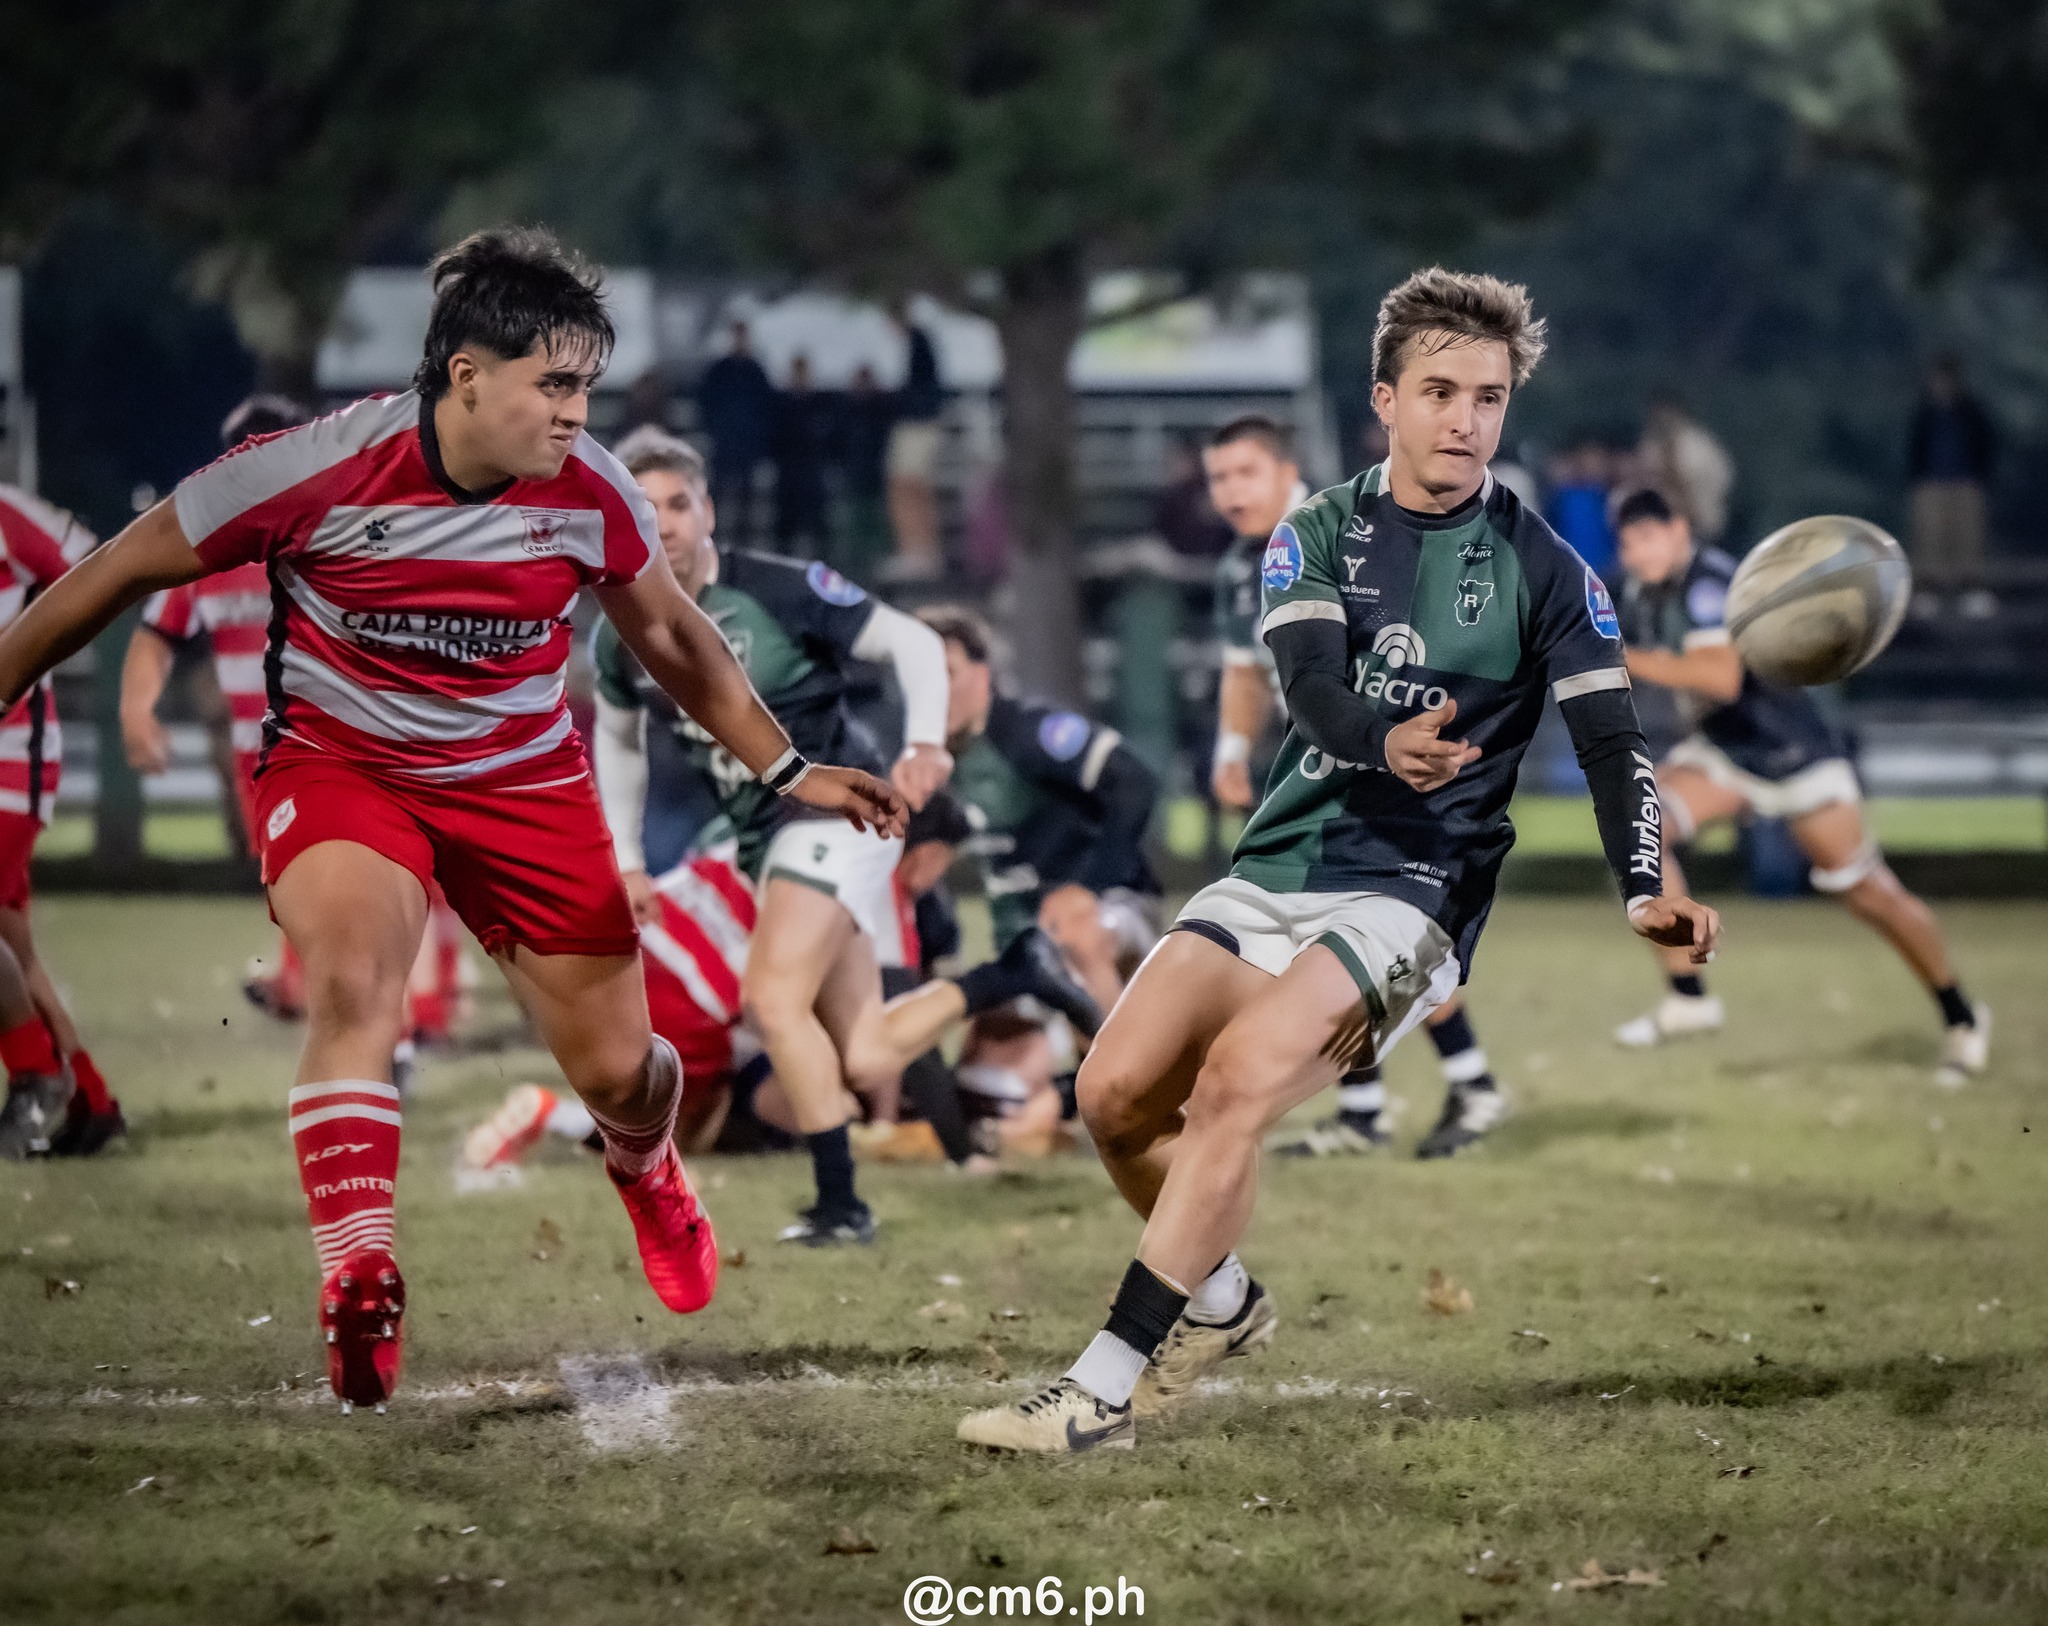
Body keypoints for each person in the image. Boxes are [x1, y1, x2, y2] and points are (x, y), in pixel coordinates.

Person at [0, 229, 903, 1411]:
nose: (578, 416)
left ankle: (645, 1163)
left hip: (524, 786)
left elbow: (676, 637)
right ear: (465, 376)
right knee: (352, 986)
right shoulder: (311, 466)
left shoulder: (591, 493)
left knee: (624, 1073)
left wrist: (791, 772)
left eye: (586, 386)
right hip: (343, 770)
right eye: (555, 386)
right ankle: (360, 1271)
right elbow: (117, 569)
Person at [957, 267, 1720, 1453]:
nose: (1464, 419)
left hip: (1414, 887)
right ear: (1385, 400)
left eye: (1487, 396)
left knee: (1236, 1086)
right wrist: (1378, 737)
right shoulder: (1312, 531)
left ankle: (1097, 1386)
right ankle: (1221, 1304)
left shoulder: (1547, 569)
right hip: (1279, 862)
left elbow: (1616, 747)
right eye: (1439, 391)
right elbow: (1308, 691)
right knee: (1109, 1098)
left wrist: (1639, 891)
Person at [590, 424, 950, 1244]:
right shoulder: (620, 632)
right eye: (645, 509)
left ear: (708, 510)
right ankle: (1006, 977)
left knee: (771, 1000)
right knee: (862, 1052)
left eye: (680, 504)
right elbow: (616, 741)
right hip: (765, 836)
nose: (667, 523)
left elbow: (913, 641)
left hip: (835, 809)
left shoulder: (779, 590)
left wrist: (926, 740)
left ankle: (841, 1204)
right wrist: (631, 861)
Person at [1609, 487, 1990, 1084]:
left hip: (1795, 757)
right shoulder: (1644, 592)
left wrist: (1624, 660)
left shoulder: (1712, 582)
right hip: (1729, 754)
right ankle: (1689, 995)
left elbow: (1720, 678)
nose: (1633, 555)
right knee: (1638, 830)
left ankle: (1962, 1016)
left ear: (1678, 531)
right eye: (1626, 544)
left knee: (1871, 896)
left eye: (1644, 539)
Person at [1202, 416, 1507, 1160]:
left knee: (1384, 929)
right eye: (1218, 478)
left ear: (1285, 471)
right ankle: (1366, 1110)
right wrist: (1233, 745)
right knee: (1324, 939)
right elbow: (1245, 669)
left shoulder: (1356, 531)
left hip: (1396, 768)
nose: (1230, 492)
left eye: (1244, 473)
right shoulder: (1240, 570)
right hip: (1320, 773)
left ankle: (1472, 1086)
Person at [919, 604, 1160, 1013]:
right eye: (920, 675)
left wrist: (1086, 886)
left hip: (1112, 908)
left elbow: (1134, 782)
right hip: (1021, 945)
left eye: (947, 672)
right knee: (985, 1067)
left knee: (1077, 939)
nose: (934, 689)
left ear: (983, 672)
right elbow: (917, 871)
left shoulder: (1027, 731)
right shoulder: (925, 765)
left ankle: (1132, 1074)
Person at [0, 484, 121, 1157]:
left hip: (10, 757)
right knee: (12, 946)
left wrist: (19, 649)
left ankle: (36, 1076)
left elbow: (93, 567)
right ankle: (87, 1097)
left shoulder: (6, 514)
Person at [1906, 355, 1997, 609]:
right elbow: (1916, 449)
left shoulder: (1972, 413)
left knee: (1968, 536)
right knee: (1930, 536)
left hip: (1966, 482)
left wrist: (1982, 476)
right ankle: (1928, 590)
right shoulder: (1925, 415)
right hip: (1931, 483)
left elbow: (1986, 445)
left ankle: (1971, 589)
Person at [697, 320, 776, 548]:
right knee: (720, 493)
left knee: (746, 499)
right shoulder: (720, 370)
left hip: (747, 446)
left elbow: (766, 409)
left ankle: (743, 545)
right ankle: (713, 539)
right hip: (725, 443)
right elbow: (706, 403)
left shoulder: (755, 371)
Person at [883, 298, 944, 579]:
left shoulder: (918, 343)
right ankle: (922, 552)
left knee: (906, 486)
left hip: (917, 423)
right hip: (921, 422)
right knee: (914, 486)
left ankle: (917, 552)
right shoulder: (919, 343)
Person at [1637, 395, 1734, 544]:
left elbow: (1723, 476)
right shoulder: (1651, 444)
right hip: (1664, 525)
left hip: (1703, 522)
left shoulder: (1699, 442)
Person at [770, 353, 832, 558]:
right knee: (786, 524)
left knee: (818, 524)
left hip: (811, 470)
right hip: (789, 470)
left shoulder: (819, 402)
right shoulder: (783, 403)